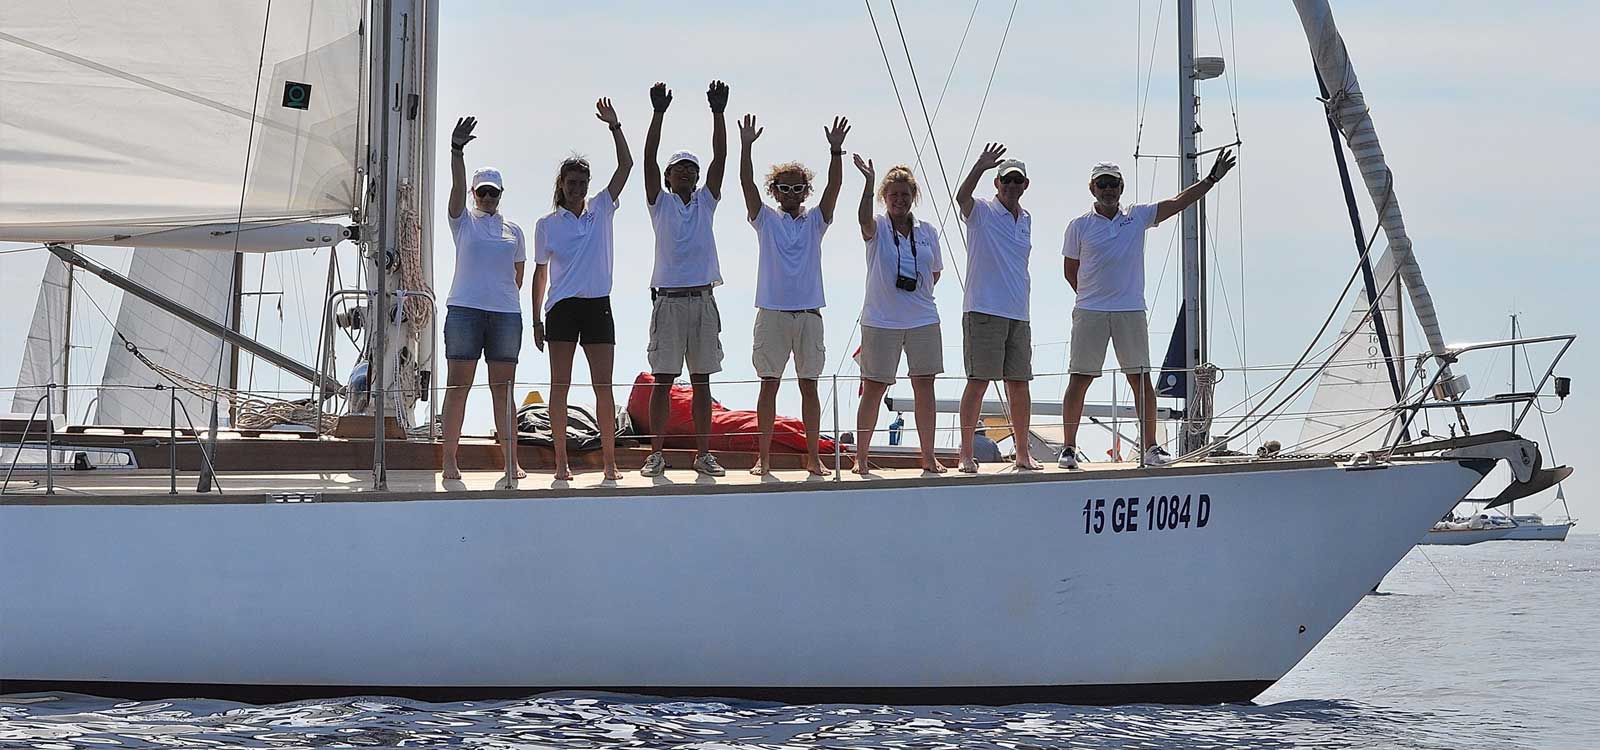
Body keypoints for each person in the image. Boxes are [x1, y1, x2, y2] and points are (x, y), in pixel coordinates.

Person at [1058, 149, 1237, 468]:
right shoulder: (1078, 226)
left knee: (1139, 378)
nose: (1108, 189)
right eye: (1102, 184)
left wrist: (1210, 180)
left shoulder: (1136, 216)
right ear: (1092, 189)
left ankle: (1151, 447)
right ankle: (1068, 448)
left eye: (1113, 184)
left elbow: (1178, 202)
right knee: (1080, 377)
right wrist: (1092, 296)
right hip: (1091, 311)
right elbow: (1070, 270)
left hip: (1130, 310)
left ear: (1121, 188)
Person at [738, 113, 850, 476]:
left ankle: (814, 458)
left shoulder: (815, 221)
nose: (789, 194)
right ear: (775, 192)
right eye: (783, 189)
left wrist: (835, 152)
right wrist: (746, 147)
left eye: (796, 188)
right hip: (772, 312)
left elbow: (833, 190)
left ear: (805, 190)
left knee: (809, 387)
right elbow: (745, 184)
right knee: (768, 385)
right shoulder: (765, 220)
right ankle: (764, 458)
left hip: (808, 314)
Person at [530, 98, 632, 481]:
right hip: (562, 308)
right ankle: (561, 463)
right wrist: (536, 319)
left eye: (582, 183)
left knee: (602, 385)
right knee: (561, 385)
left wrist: (615, 126)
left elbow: (626, 166)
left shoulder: (602, 208)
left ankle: (609, 463)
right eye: (571, 183)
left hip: (597, 305)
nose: (577, 188)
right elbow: (540, 274)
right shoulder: (547, 224)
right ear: (561, 184)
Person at [640, 80, 730, 478]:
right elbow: (647, 159)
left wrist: (718, 113)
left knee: (702, 381)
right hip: (670, 300)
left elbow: (721, 158)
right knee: (663, 380)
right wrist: (657, 114)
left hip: (703, 299)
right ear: (669, 176)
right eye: (680, 169)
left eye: (692, 169)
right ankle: (655, 454)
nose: (688, 173)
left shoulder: (706, 202)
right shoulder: (659, 204)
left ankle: (704, 454)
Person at [442, 116, 526, 480]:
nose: (488, 197)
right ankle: (448, 460)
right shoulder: (464, 221)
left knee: (502, 390)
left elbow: (519, 274)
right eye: (483, 192)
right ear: (475, 193)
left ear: (501, 194)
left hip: (505, 314)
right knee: (458, 385)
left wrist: (501, 298)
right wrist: (456, 152)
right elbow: (456, 191)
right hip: (464, 311)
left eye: (494, 192)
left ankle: (511, 462)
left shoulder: (514, 230)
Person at [850, 156, 945, 474]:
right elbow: (862, 220)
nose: (900, 200)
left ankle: (928, 456)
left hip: (922, 318)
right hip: (881, 319)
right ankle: (860, 457)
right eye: (893, 195)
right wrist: (868, 181)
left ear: (913, 196)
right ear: (884, 198)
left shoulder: (927, 230)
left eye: (905, 195)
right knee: (875, 386)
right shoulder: (877, 227)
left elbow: (934, 272)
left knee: (925, 384)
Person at [953, 142, 1039, 473]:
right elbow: (961, 198)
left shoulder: (1027, 219)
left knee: (1019, 383)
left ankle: (1021, 453)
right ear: (997, 183)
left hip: (1019, 312)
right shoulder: (983, 212)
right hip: (984, 310)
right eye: (1006, 180)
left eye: (1018, 181)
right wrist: (980, 165)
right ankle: (964, 454)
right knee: (979, 381)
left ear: (1025, 185)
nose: (1012, 186)